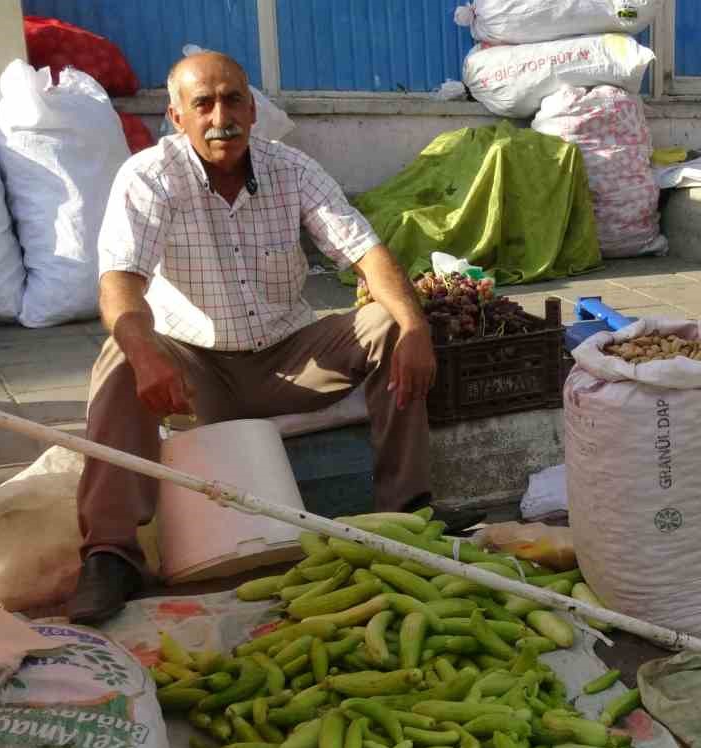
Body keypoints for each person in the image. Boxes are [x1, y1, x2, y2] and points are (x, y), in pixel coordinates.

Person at [70, 52, 445, 624]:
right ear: (177, 116)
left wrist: (416, 327)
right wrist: (147, 355)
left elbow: (365, 251)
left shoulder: (291, 168)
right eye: (204, 103)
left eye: (234, 99)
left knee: (391, 326)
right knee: (121, 357)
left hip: (288, 358)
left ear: (253, 107)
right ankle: (109, 555)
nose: (222, 116)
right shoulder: (150, 177)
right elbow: (120, 283)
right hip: (196, 369)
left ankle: (409, 515)